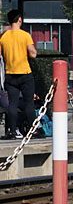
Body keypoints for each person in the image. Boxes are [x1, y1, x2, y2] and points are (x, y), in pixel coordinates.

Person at [1, 10, 37, 139]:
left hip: (10, 75)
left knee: (12, 104)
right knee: (29, 104)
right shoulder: (25, 35)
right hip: (25, 74)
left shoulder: (3, 37)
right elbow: (33, 53)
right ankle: (32, 131)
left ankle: (11, 131)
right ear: (20, 20)